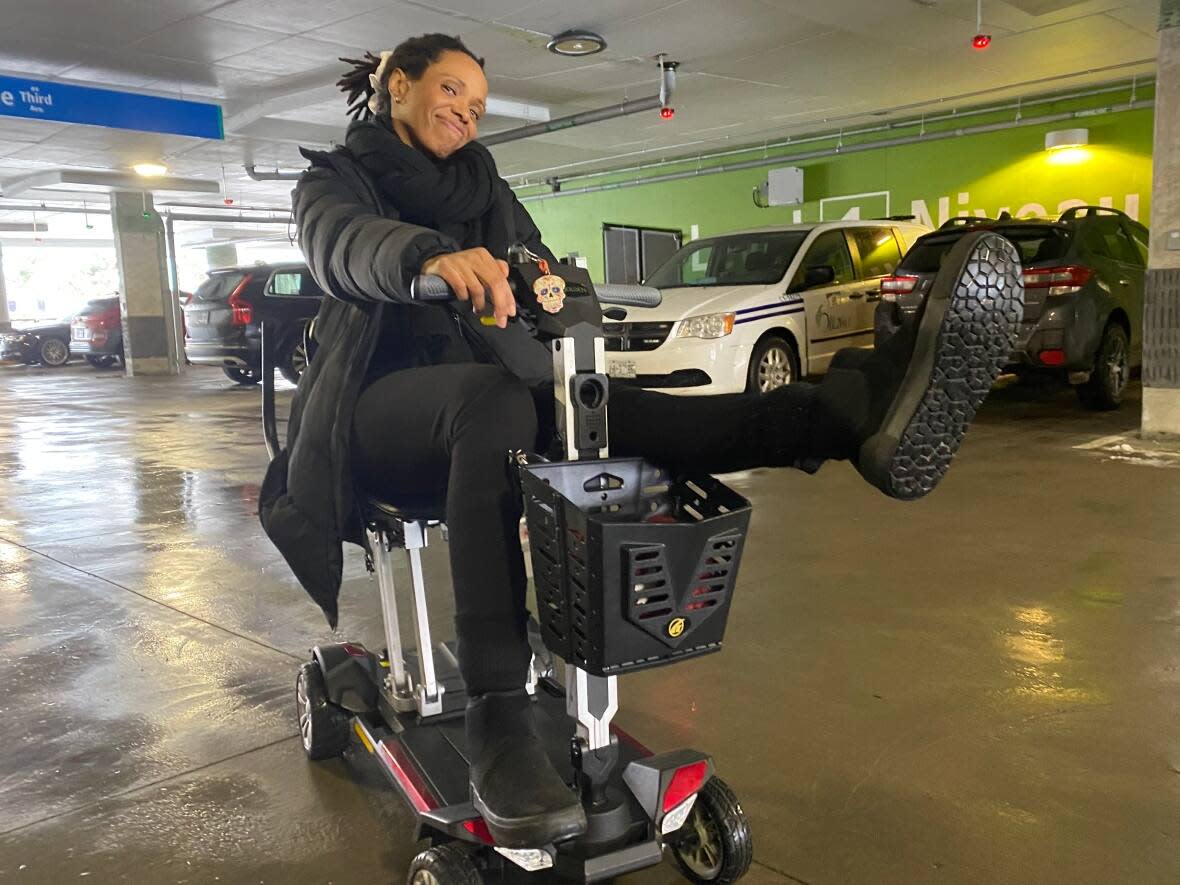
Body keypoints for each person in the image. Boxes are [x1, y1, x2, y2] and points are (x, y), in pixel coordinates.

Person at [259, 34, 1024, 848]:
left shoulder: (484, 189)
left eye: (478, 106)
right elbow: (342, 246)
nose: (465, 113)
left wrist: (555, 291)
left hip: (496, 399)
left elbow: (544, 270)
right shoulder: (336, 178)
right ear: (400, 86)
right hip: (376, 411)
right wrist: (430, 260)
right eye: (450, 92)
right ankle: (498, 715)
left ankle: (854, 414)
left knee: (618, 404)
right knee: (493, 402)